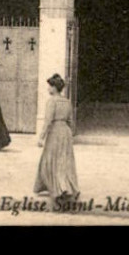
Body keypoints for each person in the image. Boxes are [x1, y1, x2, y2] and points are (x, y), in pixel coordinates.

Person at [34, 73, 79, 202]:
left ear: (54, 88)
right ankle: (66, 186)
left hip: (55, 131)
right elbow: (70, 121)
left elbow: (48, 121)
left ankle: (58, 188)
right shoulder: (67, 101)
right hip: (65, 132)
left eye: (49, 86)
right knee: (64, 160)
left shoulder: (52, 101)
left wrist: (41, 137)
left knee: (51, 159)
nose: (48, 89)